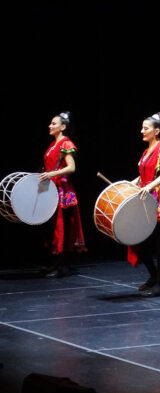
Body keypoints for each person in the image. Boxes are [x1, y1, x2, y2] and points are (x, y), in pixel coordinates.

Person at [128, 113, 160, 297]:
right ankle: (154, 276)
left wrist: (148, 186)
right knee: (141, 244)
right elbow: (143, 175)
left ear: (156, 131)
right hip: (144, 199)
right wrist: (130, 184)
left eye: (146, 128)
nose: (142, 131)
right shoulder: (146, 152)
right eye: (142, 128)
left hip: (158, 201)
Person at [39, 112, 86, 277]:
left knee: (62, 227)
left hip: (62, 190)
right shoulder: (53, 144)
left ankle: (61, 266)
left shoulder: (66, 143)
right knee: (54, 228)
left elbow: (71, 168)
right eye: (50, 123)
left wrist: (50, 174)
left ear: (63, 127)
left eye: (53, 123)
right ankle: (55, 263)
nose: (50, 126)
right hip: (52, 188)